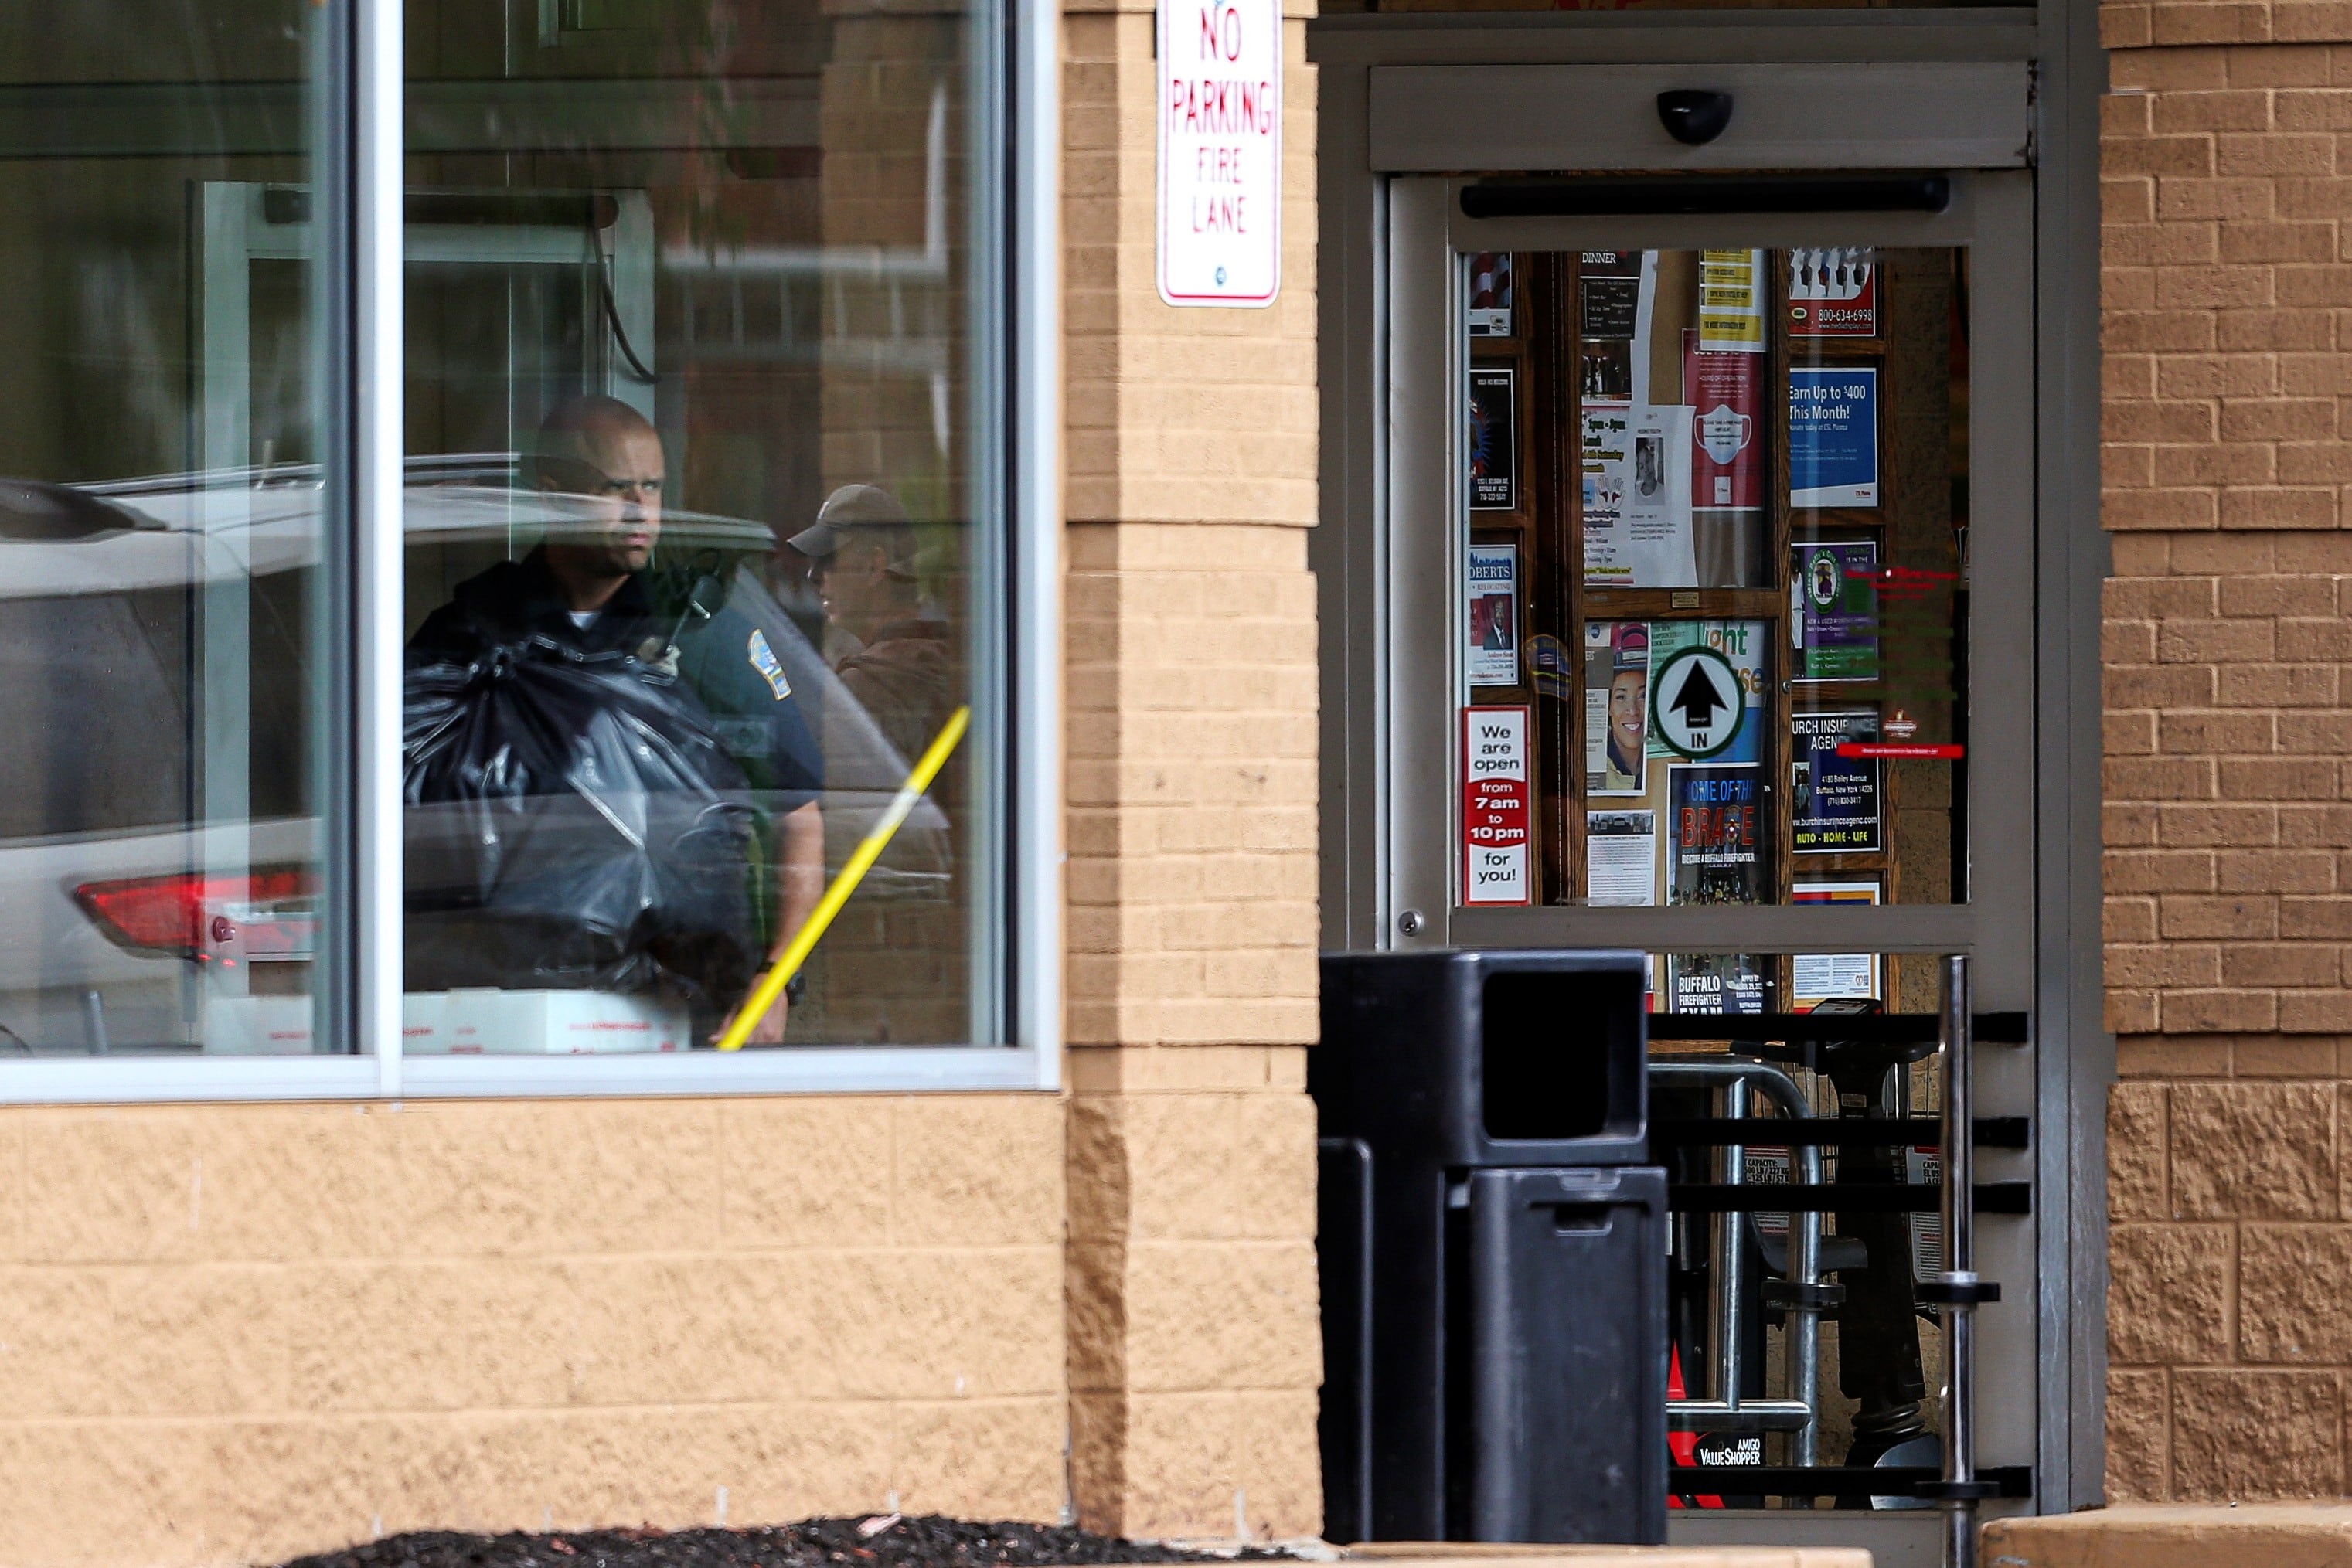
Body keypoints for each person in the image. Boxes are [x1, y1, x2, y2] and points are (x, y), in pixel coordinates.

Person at [409, 394, 823, 1044]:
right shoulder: (471, 634)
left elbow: (798, 819)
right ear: (553, 498)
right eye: (617, 489)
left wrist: (774, 980)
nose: (641, 512)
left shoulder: (703, 637)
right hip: (492, 1010)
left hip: (676, 1008)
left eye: (653, 489)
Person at [788, 484, 955, 770]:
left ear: (874, 567)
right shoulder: (950, 662)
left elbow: (847, 805)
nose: (813, 575)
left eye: (828, 559)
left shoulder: (866, 686)